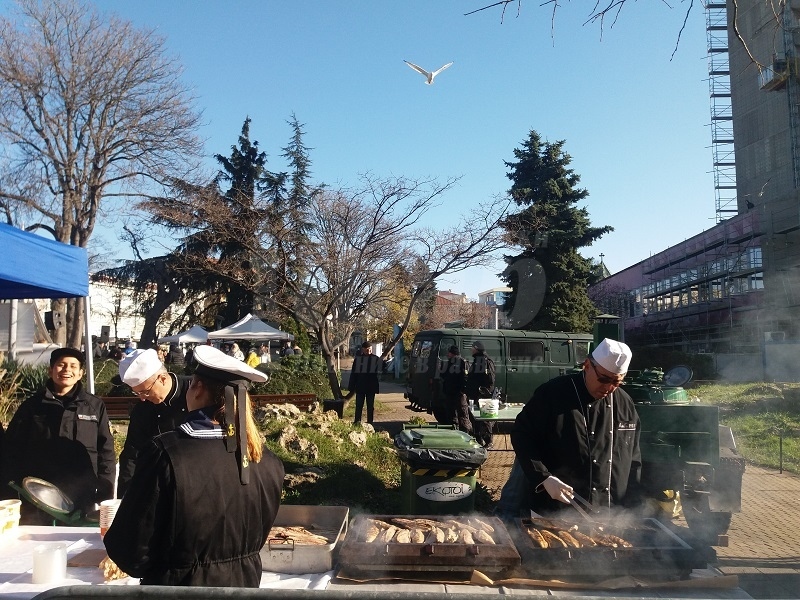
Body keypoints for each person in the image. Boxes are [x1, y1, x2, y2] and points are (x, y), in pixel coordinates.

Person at [104, 345, 285, 587]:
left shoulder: (165, 454)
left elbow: (130, 549)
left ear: (197, 388)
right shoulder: (267, 461)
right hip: (244, 584)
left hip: (180, 586)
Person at [510, 338, 642, 517]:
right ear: (587, 365)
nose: (609, 387)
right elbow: (522, 434)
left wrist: (633, 506)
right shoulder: (553, 393)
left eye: (616, 382)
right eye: (603, 378)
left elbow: (633, 458)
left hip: (611, 513)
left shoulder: (625, 403)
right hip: (555, 508)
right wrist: (543, 477)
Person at [2, 348, 115, 523]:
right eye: (61, 365)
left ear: (80, 373)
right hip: (39, 495)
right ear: (50, 370)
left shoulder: (94, 406)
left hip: (82, 492)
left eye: (72, 366)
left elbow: (106, 450)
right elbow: (12, 449)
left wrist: (106, 487)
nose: (66, 370)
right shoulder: (32, 407)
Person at [116, 349, 191, 498]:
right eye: (137, 393)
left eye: (145, 391)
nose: (142, 398)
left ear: (162, 378)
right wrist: (125, 497)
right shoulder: (142, 409)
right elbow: (132, 454)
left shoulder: (194, 391)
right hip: (159, 483)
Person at [466, 340, 495, 447]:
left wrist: (483, 391)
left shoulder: (486, 361)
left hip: (484, 395)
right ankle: (478, 438)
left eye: (472, 347)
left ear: (477, 348)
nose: (471, 349)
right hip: (474, 394)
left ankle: (489, 441)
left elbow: (490, 379)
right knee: (475, 417)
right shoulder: (476, 361)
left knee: (486, 418)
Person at [348, 341, 382, 425]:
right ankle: (357, 422)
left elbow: (382, 368)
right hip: (360, 386)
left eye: (370, 349)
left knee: (370, 406)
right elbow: (353, 374)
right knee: (359, 405)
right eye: (367, 350)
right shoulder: (358, 359)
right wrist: (351, 386)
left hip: (371, 387)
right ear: (363, 350)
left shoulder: (376, 358)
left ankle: (370, 422)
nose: (369, 351)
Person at [440, 345, 470, 432]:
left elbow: (466, 377)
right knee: (451, 413)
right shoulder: (449, 362)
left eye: (449, 352)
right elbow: (445, 375)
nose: (447, 354)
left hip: (459, 393)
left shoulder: (462, 362)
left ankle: (465, 432)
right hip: (450, 392)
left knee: (462, 413)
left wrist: (463, 391)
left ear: (453, 353)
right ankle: (453, 431)